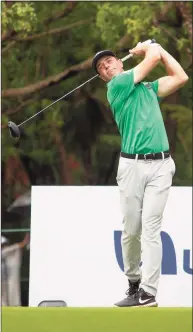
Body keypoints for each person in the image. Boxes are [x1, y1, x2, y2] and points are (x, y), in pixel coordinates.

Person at [92, 41, 188, 307]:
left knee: (151, 229)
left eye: (110, 61)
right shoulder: (117, 87)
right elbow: (153, 58)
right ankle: (133, 282)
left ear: (120, 63)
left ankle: (148, 292)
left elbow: (180, 77)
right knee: (131, 230)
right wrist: (147, 47)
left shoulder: (148, 89)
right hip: (132, 166)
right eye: (102, 67)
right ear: (103, 78)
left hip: (161, 165)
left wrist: (155, 48)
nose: (107, 66)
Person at [1, 234, 30, 306]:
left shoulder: (6, 250)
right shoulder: (5, 251)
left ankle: (9, 304)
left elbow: (19, 245)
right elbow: (20, 245)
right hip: (5, 275)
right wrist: (25, 240)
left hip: (7, 275)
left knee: (9, 289)